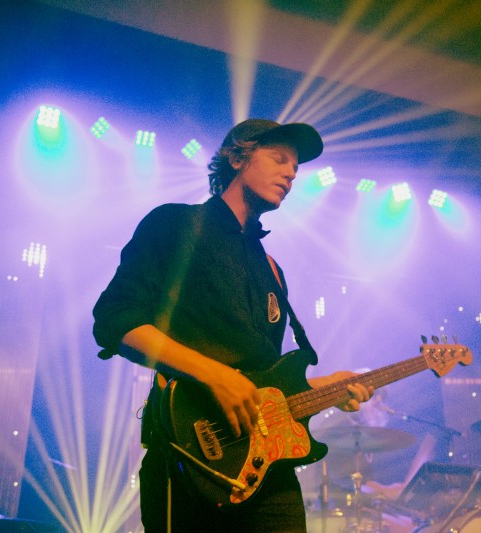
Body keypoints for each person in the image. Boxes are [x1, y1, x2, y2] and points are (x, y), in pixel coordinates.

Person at [92, 118, 374, 532]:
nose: (291, 174)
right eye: (280, 159)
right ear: (238, 155)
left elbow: (265, 386)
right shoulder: (176, 224)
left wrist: (327, 386)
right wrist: (213, 375)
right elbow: (115, 320)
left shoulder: (272, 269)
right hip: (190, 455)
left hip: (266, 472)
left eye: (296, 169)